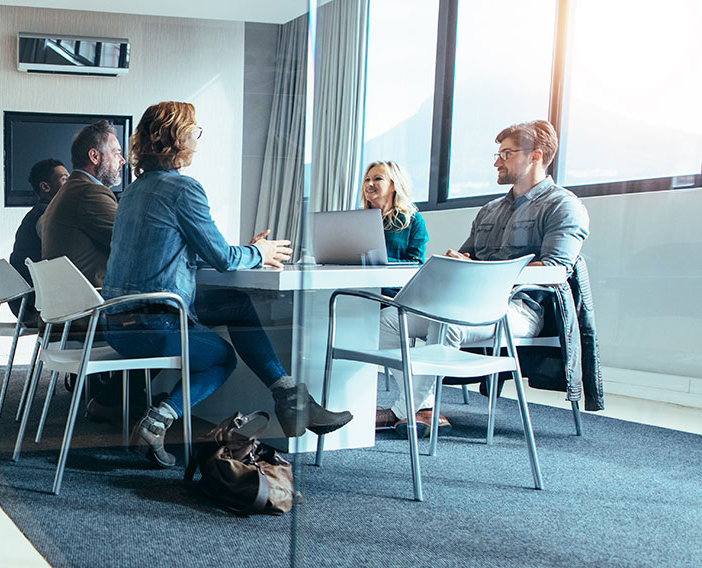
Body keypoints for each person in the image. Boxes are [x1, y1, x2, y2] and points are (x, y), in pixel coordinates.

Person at [101, 101, 353, 468]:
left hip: (115, 323)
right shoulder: (183, 189)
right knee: (222, 359)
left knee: (237, 304)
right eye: (194, 131)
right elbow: (222, 258)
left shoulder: (132, 193)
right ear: (177, 137)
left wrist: (246, 251)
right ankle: (158, 420)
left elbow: (183, 252)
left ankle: (291, 399)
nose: (197, 138)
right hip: (153, 324)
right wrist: (258, 251)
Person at [375, 119, 590, 438]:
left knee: (445, 319)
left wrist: (481, 270)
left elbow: (556, 269)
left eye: (506, 154)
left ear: (535, 155)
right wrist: (460, 262)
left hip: (521, 308)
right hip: (465, 304)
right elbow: (467, 258)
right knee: (389, 321)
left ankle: (403, 410)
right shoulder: (489, 210)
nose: (496, 162)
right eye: (498, 153)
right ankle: (424, 406)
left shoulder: (564, 206)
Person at [39, 120, 125, 287]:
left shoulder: (71, 189)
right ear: (94, 156)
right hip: (93, 305)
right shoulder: (89, 193)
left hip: (69, 302)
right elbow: (131, 242)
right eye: (116, 153)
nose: (122, 160)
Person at [8, 158, 69, 322]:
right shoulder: (46, 216)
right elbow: (58, 254)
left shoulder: (37, 212)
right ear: (45, 187)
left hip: (24, 302)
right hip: (34, 305)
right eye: (64, 179)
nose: (71, 184)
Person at [360, 160, 427, 263]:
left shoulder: (412, 220)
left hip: (394, 278)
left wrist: (378, 261)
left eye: (377, 179)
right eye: (367, 179)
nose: (369, 183)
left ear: (394, 185)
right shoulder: (357, 219)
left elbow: (416, 263)